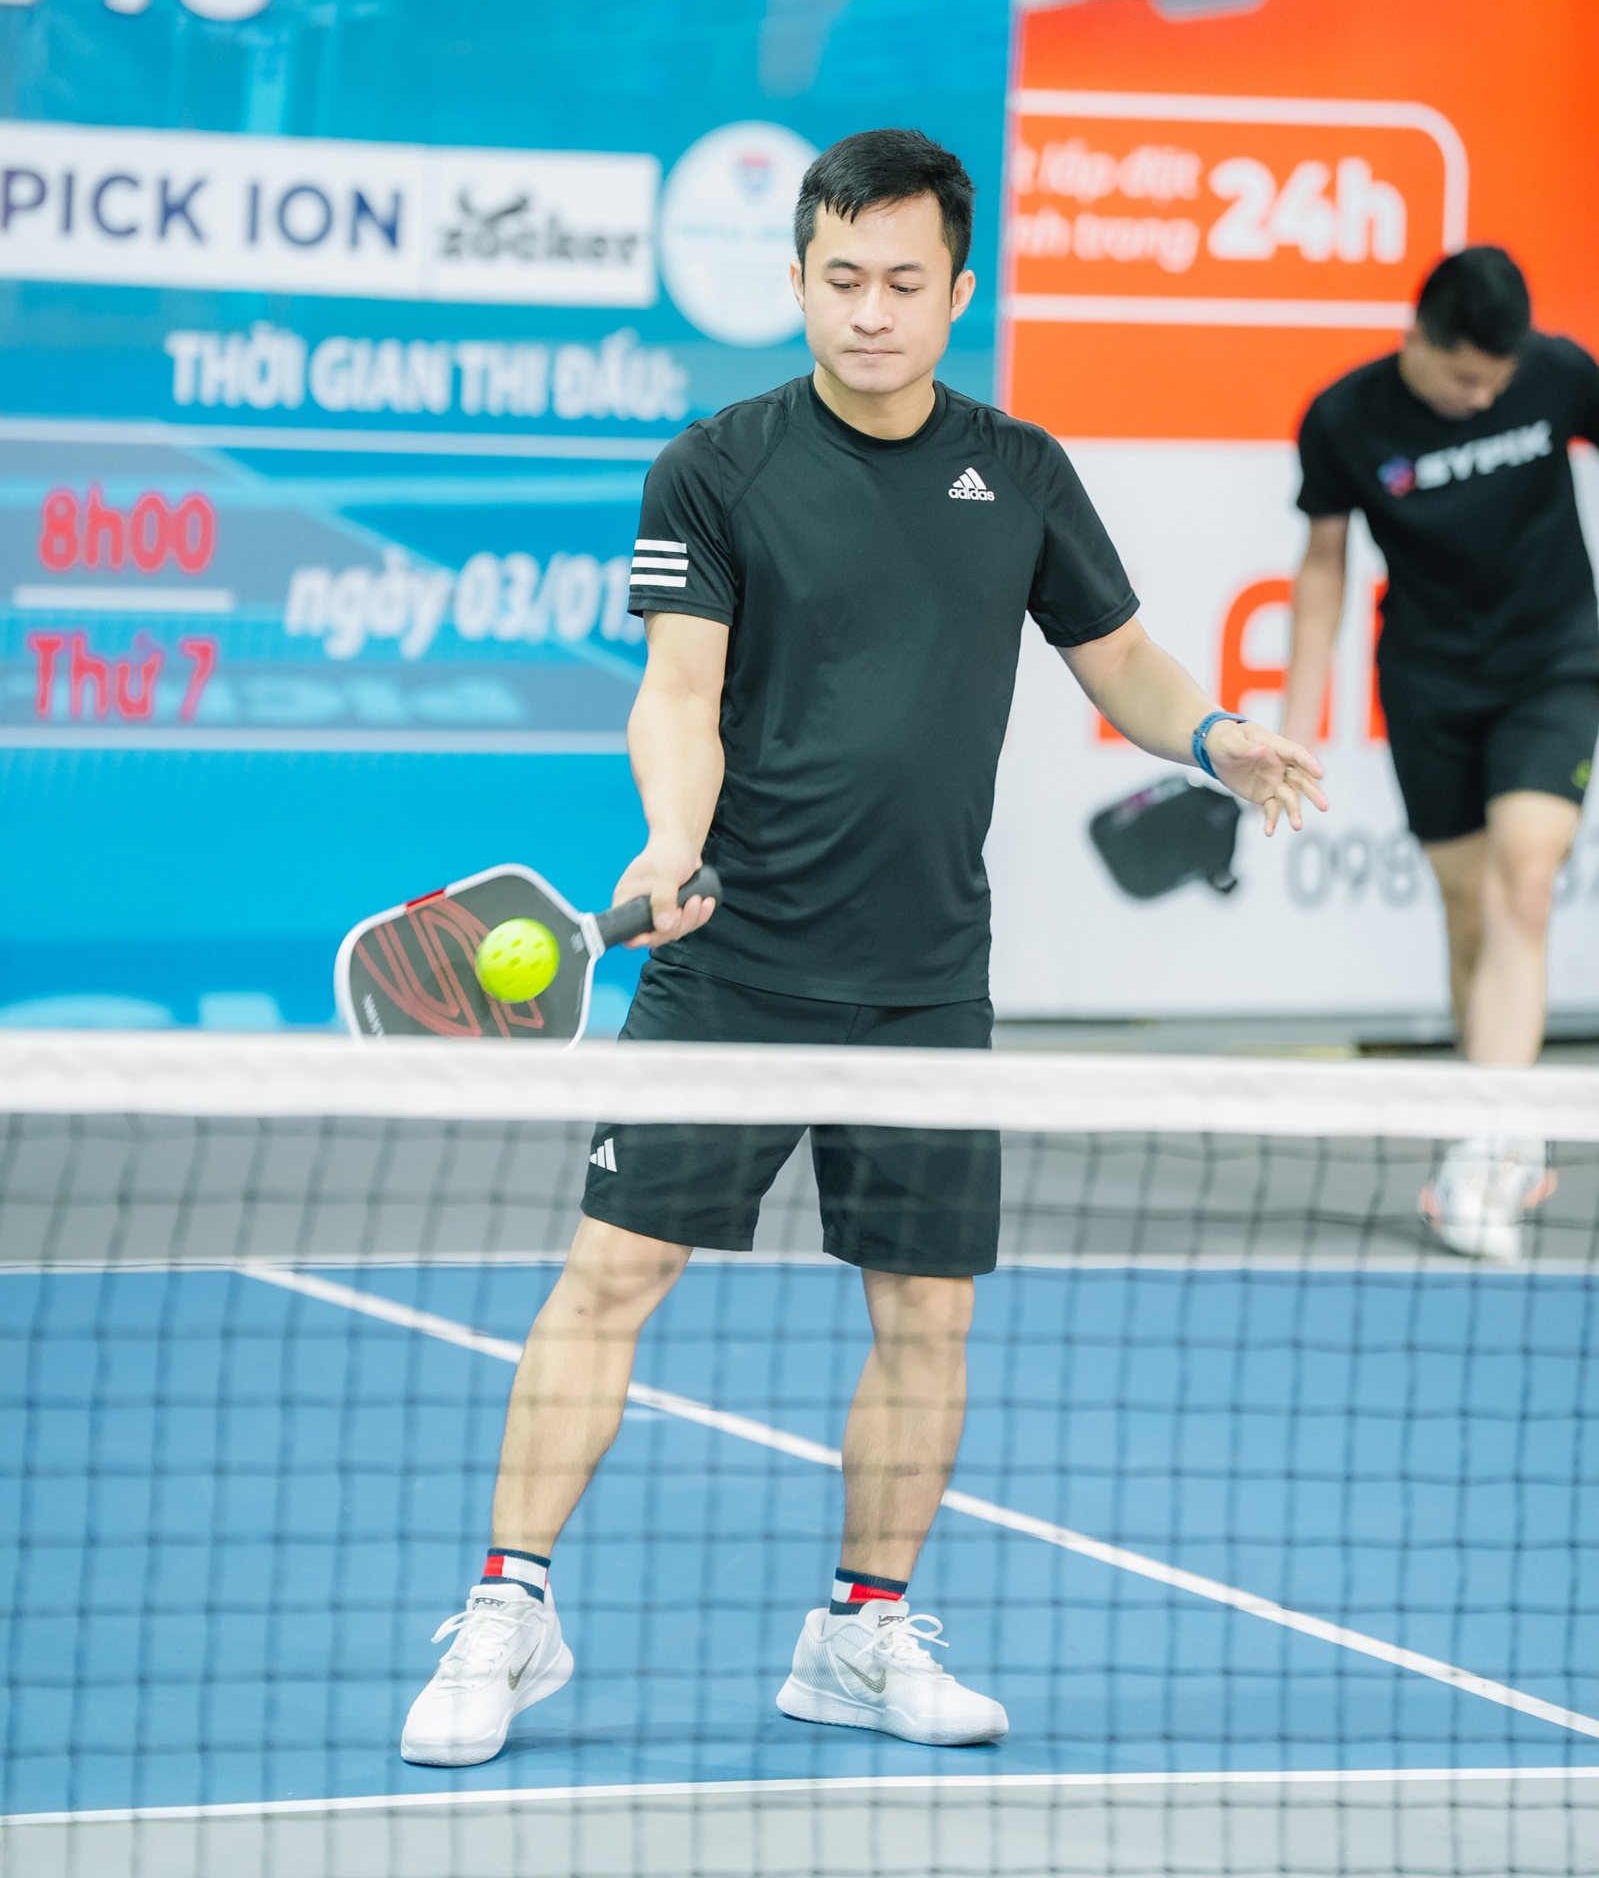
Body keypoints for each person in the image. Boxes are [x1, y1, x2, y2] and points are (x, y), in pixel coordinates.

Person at [400, 128, 1326, 1768]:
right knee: (610, 1277)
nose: (870, 312)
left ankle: (859, 1630)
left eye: (904, 282)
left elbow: (1114, 658)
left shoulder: (1018, 473)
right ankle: (508, 1610)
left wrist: (1209, 737)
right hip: (730, 961)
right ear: (796, 280)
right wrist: (671, 838)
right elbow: (678, 689)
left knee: (925, 1315)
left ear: (957, 292)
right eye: (840, 279)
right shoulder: (715, 466)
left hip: (921, 982)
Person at [1282, 246, 1599, 1260]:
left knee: (1523, 883)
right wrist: (1293, 723)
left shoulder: (1557, 373)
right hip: (1429, 685)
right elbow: (1322, 569)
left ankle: (1490, 1142)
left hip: (1555, 664)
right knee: (1469, 912)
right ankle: (1490, 1113)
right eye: (1465, 378)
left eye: (1497, 382)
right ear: (1418, 336)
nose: (1482, 397)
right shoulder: (1344, 419)